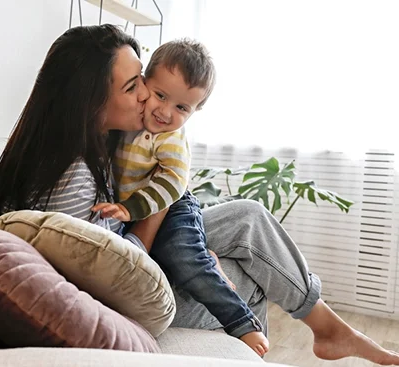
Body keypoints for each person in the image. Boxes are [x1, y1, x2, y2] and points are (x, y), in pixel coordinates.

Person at [0, 24, 399, 366]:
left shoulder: (96, 142)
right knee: (247, 278)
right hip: (127, 299)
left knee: (247, 217)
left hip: (142, 249)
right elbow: (117, 273)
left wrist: (181, 228)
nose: (145, 97)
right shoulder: (71, 177)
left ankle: (326, 327)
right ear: (90, 98)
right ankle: (316, 333)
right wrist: (164, 207)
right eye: (134, 86)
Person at [91, 39, 268, 356]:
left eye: (181, 108)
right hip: (139, 211)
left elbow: (173, 183)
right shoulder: (128, 119)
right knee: (170, 265)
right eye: (160, 96)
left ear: (196, 110)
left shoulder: (171, 138)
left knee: (185, 259)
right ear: (145, 83)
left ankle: (242, 322)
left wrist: (129, 208)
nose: (164, 111)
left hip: (171, 207)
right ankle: (208, 259)